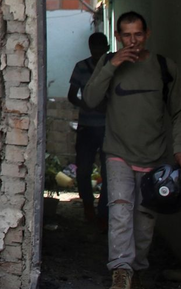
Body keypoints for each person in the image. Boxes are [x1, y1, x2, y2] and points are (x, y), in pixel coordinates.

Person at [82, 12, 181, 289]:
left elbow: (180, 111)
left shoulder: (164, 67)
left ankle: (137, 269)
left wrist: (180, 149)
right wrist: (112, 65)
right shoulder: (109, 62)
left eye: (138, 35)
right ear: (118, 37)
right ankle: (120, 272)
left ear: (148, 34)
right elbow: (90, 99)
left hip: (154, 155)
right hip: (117, 151)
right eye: (127, 36)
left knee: (144, 220)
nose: (133, 41)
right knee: (120, 210)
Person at [67, 32, 109, 226]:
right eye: (94, 48)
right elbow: (71, 95)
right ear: (90, 48)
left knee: (109, 171)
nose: (98, 52)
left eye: (101, 48)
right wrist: (88, 105)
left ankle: (104, 210)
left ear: (107, 48)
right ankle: (88, 207)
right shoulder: (81, 67)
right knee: (83, 169)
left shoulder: (112, 66)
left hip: (109, 127)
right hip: (86, 127)